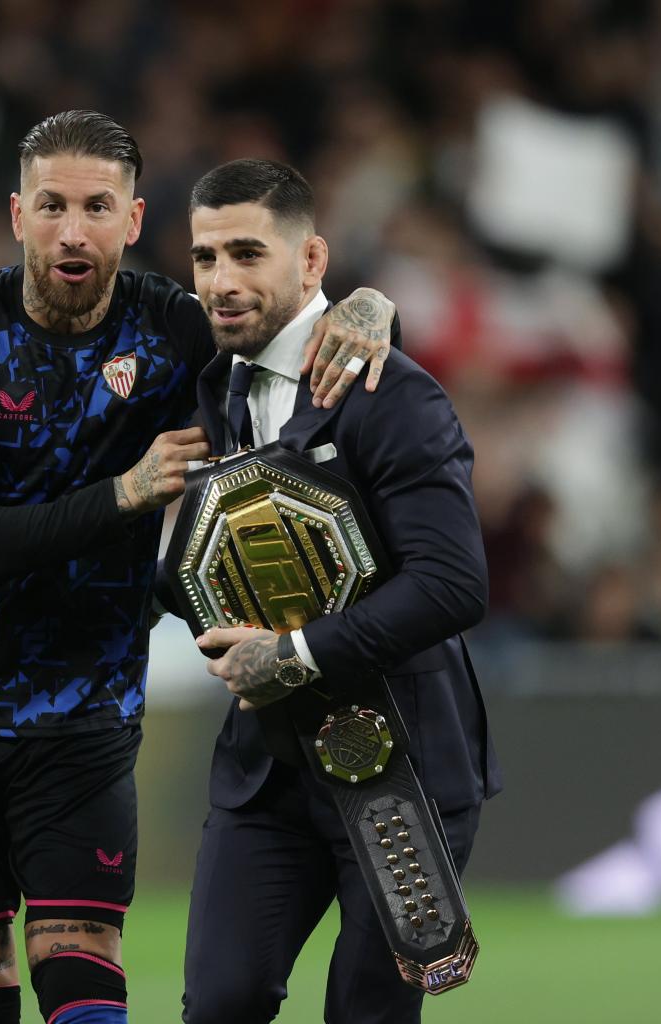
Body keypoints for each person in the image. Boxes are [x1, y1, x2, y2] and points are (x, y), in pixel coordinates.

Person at [0, 110, 399, 1024]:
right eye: (51, 205)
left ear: (133, 220)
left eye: (96, 206)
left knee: (82, 984)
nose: (71, 229)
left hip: (83, 718)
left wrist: (373, 305)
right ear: (16, 215)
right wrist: (124, 495)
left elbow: (290, 328)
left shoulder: (173, 331)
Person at [178, 158, 503, 1024]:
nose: (223, 280)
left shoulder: (392, 395)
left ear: (313, 260)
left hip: (402, 767)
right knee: (220, 1001)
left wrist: (293, 653)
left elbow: (454, 583)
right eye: (206, 258)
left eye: (249, 253)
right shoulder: (213, 382)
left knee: (367, 1017)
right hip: (267, 774)